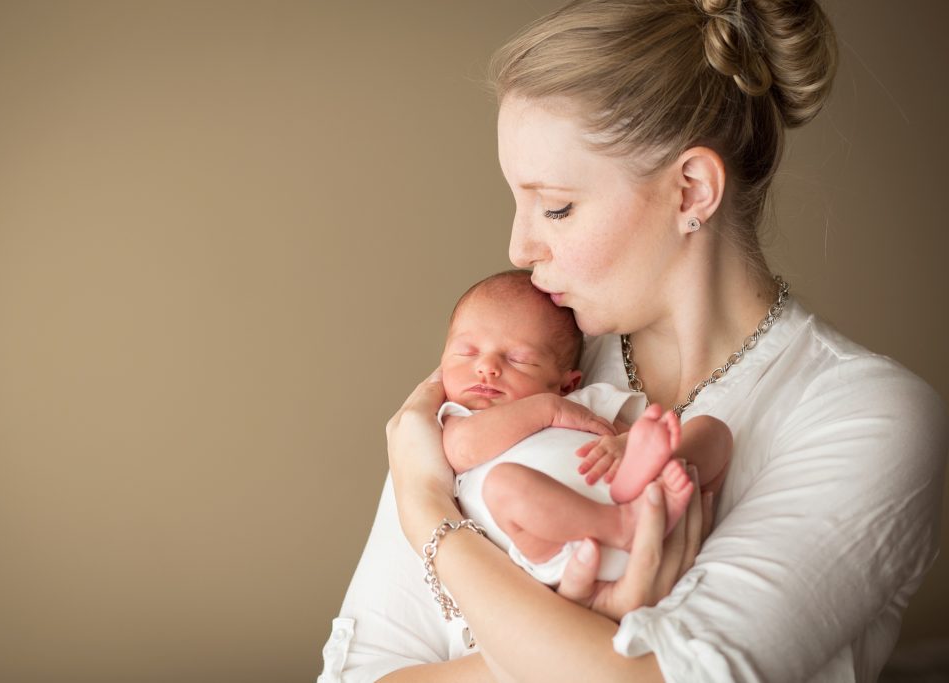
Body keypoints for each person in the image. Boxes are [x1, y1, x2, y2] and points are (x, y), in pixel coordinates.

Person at [321, 1, 948, 681]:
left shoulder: (862, 416)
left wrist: (429, 518)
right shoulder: (526, 365)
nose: (518, 245)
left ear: (691, 191)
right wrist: (586, 643)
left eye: (555, 205)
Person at [439, 269, 732, 585]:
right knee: (503, 485)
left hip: (641, 502)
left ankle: (661, 492)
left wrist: (625, 445)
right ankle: (619, 525)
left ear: (566, 384)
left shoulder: (582, 403)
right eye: (467, 352)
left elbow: (625, 433)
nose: (486, 367)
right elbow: (462, 449)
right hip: (562, 548)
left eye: (518, 359)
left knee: (712, 430)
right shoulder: (460, 416)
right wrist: (548, 410)